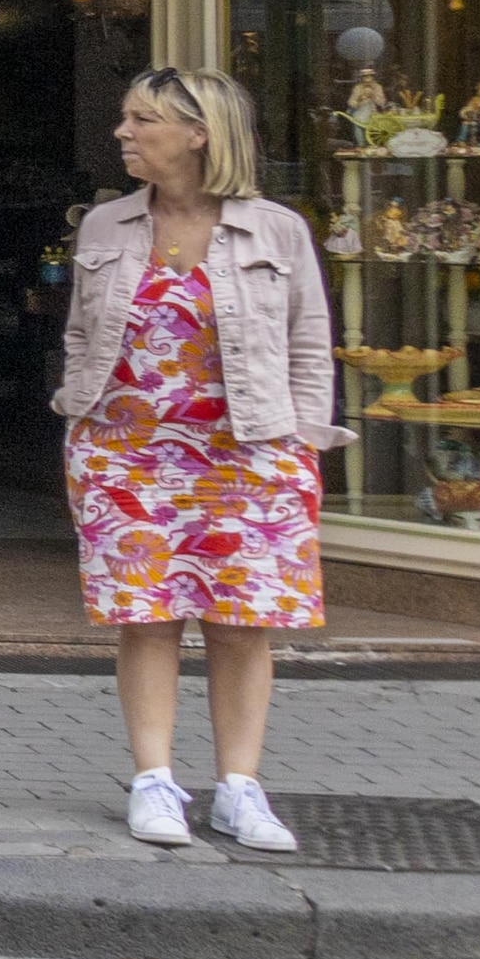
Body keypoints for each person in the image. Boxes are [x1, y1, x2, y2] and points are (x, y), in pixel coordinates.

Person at [55, 67, 337, 854]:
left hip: (250, 454)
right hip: (125, 453)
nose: (123, 132)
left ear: (197, 133)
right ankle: (154, 781)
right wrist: (78, 414)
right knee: (145, 619)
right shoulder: (106, 225)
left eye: (141, 120)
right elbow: (81, 331)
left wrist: (304, 442)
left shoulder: (276, 230)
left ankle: (240, 789)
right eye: (125, 118)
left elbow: (311, 344)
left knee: (243, 624)